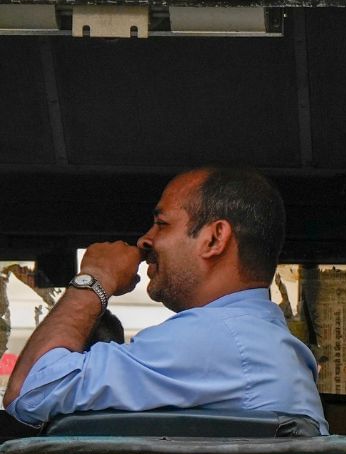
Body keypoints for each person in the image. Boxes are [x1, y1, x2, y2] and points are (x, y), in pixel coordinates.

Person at [2, 166, 328, 433]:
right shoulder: (256, 335)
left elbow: (31, 390)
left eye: (161, 224)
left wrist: (96, 277)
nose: (146, 239)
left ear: (214, 238)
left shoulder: (215, 336)